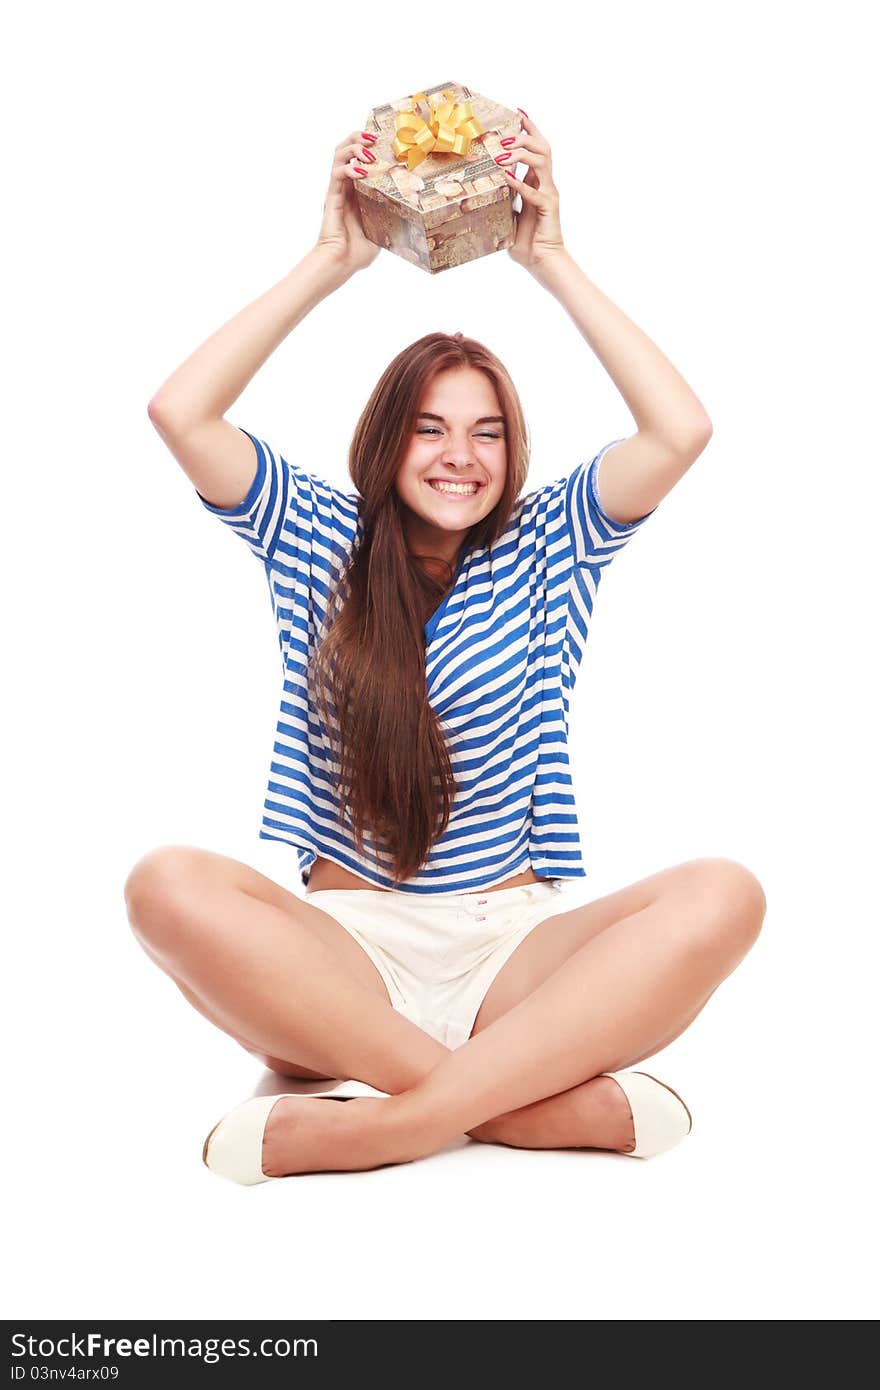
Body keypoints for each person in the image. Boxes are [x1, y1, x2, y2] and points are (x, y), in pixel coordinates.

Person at [127, 112, 766, 1186]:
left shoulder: (551, 541)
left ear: (512, 449)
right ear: (389, 439)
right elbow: (179, 410)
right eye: (429, 427)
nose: (459, 456)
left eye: (486, 430)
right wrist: (329, 261)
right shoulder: (317, 534)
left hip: (509, 955)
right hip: (344, 959)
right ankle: (514, 1103)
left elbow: (678, 431)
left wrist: (548, 258)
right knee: (164, 884)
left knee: (725, 892)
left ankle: (375, 1122)